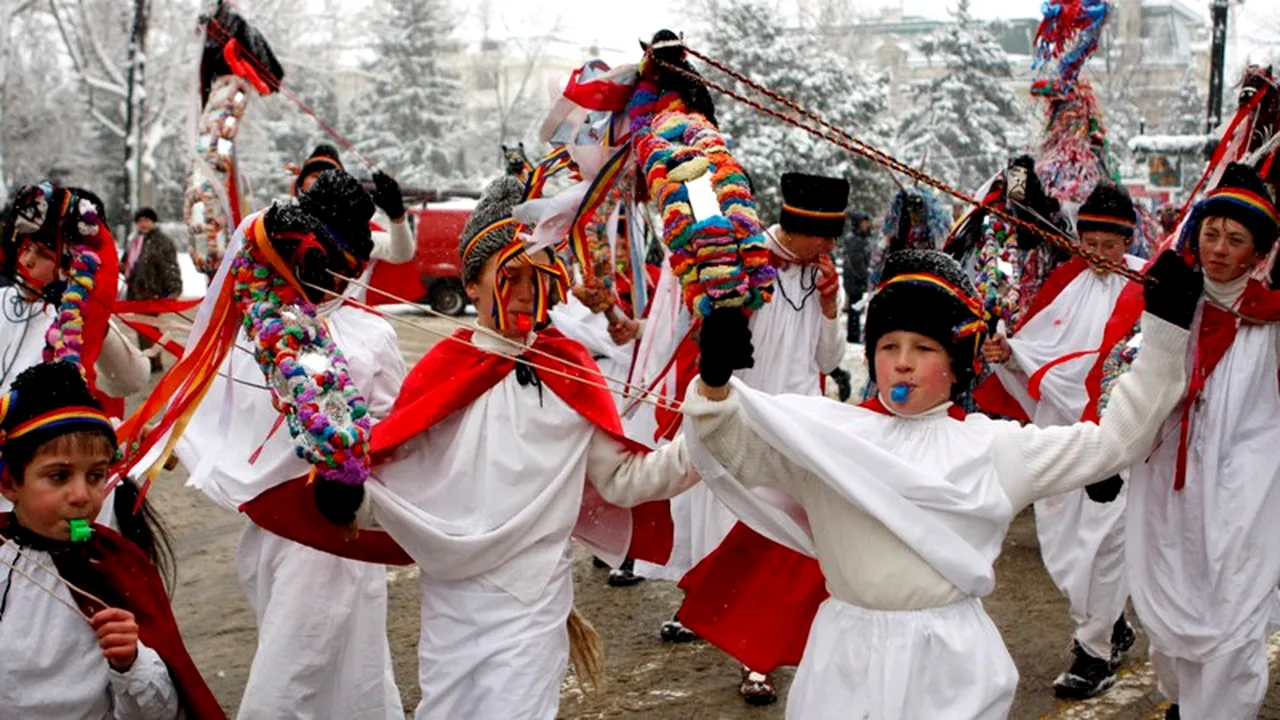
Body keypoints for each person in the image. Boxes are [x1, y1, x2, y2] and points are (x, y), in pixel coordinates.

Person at [676, 246, 1199, 718]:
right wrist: (715, 384)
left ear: (956, 364)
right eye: (887, 346)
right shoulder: (828, 440)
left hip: (949, 666)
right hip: (845, 659)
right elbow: (732, 449)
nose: (902, 363)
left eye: (924, 348)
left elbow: (1115, 443)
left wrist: (1164, 338)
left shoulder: (995, 448)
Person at [361, 175, 696, 720]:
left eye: (539, 276)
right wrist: (347, 498)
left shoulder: (570, 369)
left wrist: (705, 438)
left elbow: (624, 480)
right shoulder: (441, 370)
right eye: (509, 276)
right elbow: (395, 478)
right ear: (472, 284)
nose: (524, 291)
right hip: (453, 598)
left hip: (532, 598)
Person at [174, 168, 406, 719]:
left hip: (332, 532)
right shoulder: (257, 319)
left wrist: (350, 470)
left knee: (295, 678)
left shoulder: (373, 334)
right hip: (271, 527)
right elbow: (214, 403)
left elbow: (397, 431)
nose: (334, 280)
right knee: (333, 669)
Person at [678, 171, 847, 704]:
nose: (829, 247)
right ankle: (708, 612)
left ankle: (758, 659)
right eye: (823, 236)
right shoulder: (745, 262)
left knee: (777, 543)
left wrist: (829, 307)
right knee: (727, 529)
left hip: (799, 427)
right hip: (744, 421)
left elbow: (829, 360)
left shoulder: (820, 273)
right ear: (797, 228)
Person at [1125, 164, 1280, 720]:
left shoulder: (1272, 319)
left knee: (1235, 604)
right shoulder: (1173, 297)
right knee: (1172, 594)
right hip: (1170, 481)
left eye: (1235, 240)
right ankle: (1188, 702)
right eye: (1211, 233)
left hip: (1246, 489)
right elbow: (1124, 376)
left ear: (1257, 252)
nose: (1218, 248)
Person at [977, 182, 1143, 698]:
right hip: (1061, 439)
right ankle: (1108, 624)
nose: (1098, 254)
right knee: (1065, 547)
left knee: (1104, 544)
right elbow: (1036, 349)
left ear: (1127, 241)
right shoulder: (1067, 280)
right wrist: (1007, 356)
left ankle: (1093, 652)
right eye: (1090, 242)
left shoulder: (1148, 284)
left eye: (1109, 245)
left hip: (1120, 440)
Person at [0, 360, 223, 719]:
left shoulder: (119, 567)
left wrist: (130, 662)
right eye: (58, 476)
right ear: (10, 484)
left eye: (96, 476)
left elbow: (160, 712)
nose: (81, 495)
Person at [0, 184, 148, 523]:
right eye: (24, 248)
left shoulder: (80, 319)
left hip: (57, 469)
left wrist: (93, 323)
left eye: (41, 252)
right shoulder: (5, 304)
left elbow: (131, 378)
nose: (27, 259)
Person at [122, 207, 183, 372]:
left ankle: (152, 363)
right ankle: (149, 361)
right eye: (140, 221)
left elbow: (170, 267)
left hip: (153, 292)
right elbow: (128, 263)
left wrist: (174, 289)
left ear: (153, 222)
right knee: (142, 328)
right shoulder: (135, 240)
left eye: (146, 220)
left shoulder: (161, 241)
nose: (143, 224)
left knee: (149, 329)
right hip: (137, 292)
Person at [841, 210, 873, 344]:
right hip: (854, 280)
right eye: (864, 222)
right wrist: (865, 275)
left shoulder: (861, 239)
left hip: (855, 280)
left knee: (855, 309)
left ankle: (854, 334)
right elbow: (856, 264)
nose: (867, 225)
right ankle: (853, 336)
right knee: (854, 309)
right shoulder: (855, 240)